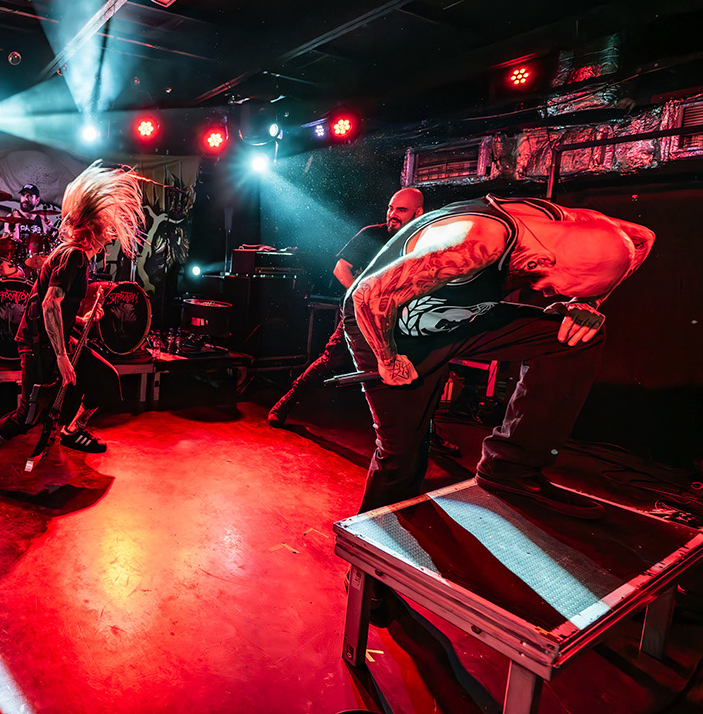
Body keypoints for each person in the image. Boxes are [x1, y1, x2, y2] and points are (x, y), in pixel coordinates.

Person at [344, 194, 654, 520]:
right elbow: (368, 296)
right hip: (387, 325)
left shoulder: (565, 221)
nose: (545, 292)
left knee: (575, 337)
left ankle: (510, 467)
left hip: (466, 316)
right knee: (403, 452)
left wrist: (588, 301)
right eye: (550, 286)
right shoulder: (474, 240)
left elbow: (643, 239)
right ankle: (373, 534)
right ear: (541, 260)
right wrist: (388, 360)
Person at [0, 162, 147, 500]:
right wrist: (63, 357)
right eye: (106, 228)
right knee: (26, 417)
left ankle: (73, 430)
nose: (110, 235)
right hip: (39, 344)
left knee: (104, 380)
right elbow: (49, 305)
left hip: (55, 339)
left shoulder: (73, 256)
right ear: (92, 227)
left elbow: (56, 306)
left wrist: (82, 320)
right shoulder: (74, 257)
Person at [268, 188, 424, 426]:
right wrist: (360, 295)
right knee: (330, 358)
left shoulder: (424, 241)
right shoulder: (372, 234)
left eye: (401, 210)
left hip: (401, 317)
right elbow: (340, 268)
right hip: (361, 314)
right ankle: (286, 402)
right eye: (390, 208)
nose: (392, 214)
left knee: (415, 369)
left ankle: (426, 433)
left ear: (418, 212)